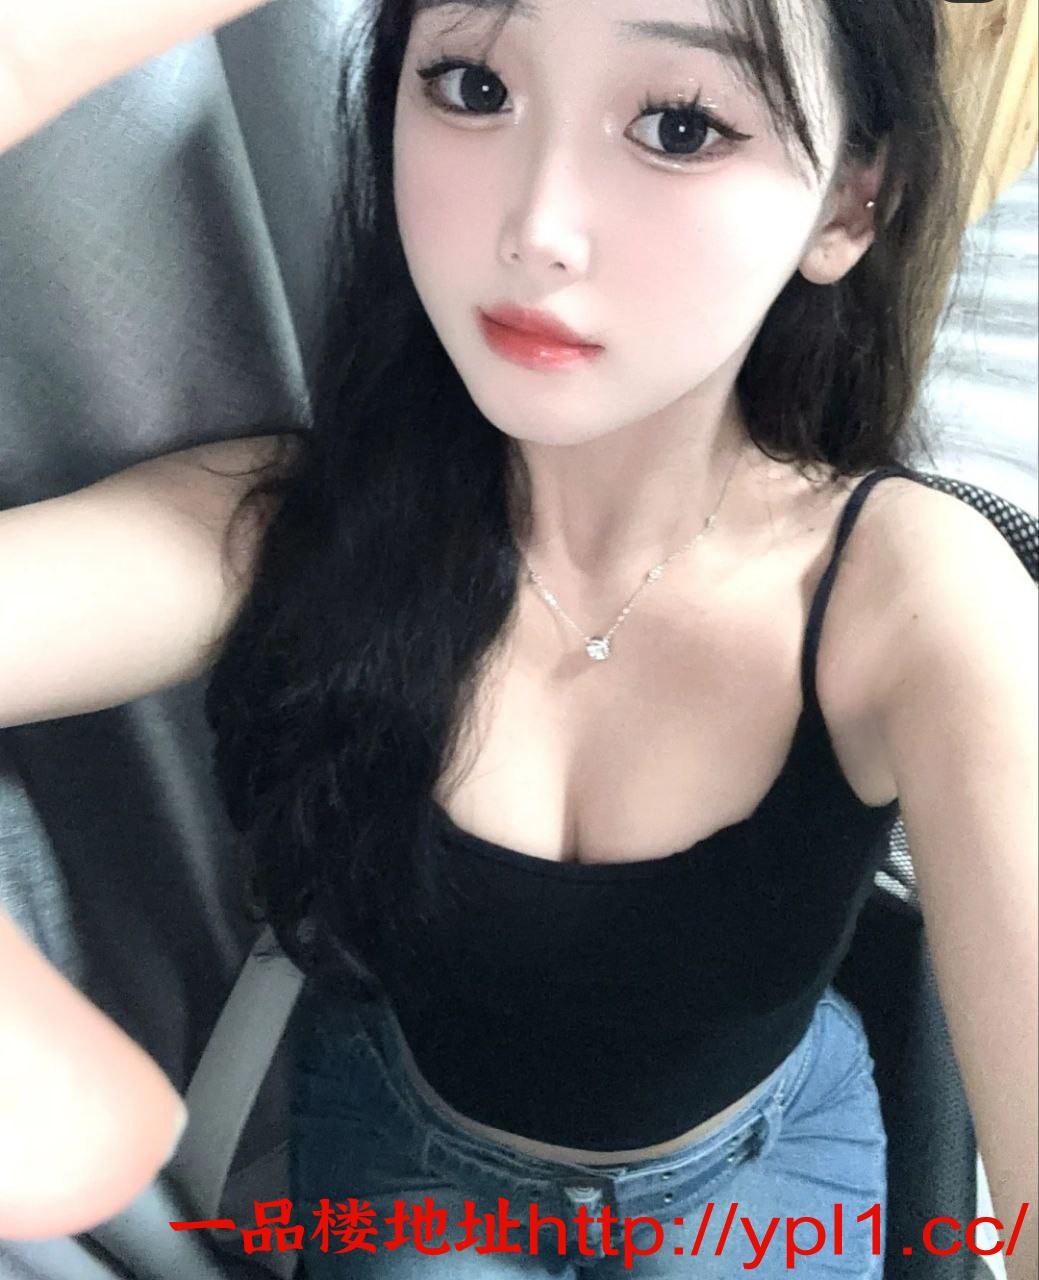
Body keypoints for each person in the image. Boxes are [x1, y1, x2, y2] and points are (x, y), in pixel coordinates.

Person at [0, 0, 1035, 1274]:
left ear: (849, 206)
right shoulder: (289, 528)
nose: (534, 228)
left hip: (760, 1166)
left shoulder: (913, 597)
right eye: (473, 88)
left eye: (680, 124)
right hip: (406, 1160)